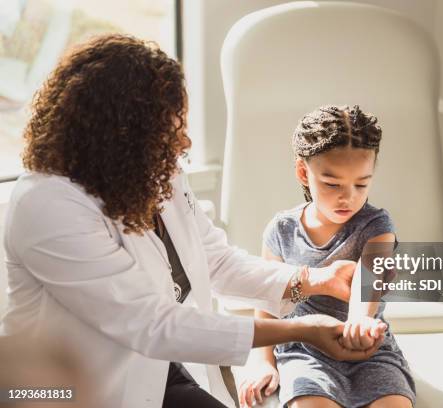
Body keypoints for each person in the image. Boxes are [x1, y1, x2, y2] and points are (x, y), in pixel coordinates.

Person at [0, 35, 386, 408]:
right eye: (171, 129)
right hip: (68, 391)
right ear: (121, 133)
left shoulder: (150, 174)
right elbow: (152, 324)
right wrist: (304, 329)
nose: (184, 143)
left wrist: (311, 280)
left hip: (157, 371)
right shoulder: (48, 205)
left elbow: (215, 261)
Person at [238, 105, 415, 408]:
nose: (349, 197)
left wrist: (359, 322)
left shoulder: (377, 225)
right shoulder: (281, 230)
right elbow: (266, 300)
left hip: (370, 350)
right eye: (333, 184)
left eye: (362, 184)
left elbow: (368, 276)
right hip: (305, 352)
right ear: (303, 172)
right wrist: (262, 360)